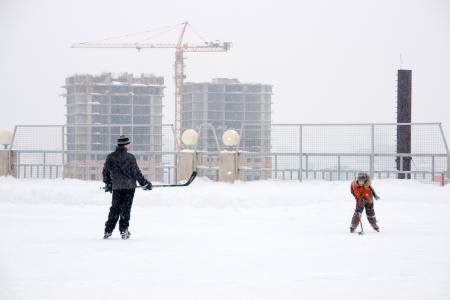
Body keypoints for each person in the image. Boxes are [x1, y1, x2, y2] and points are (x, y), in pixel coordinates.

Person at [102, 135, 152, 239]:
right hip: (129, 188)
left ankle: (108, 230)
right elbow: (136, 173)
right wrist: (145, 184)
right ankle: (124, 230)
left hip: (117, 187)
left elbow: (105, 172)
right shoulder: (130, 157)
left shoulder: (110, 157)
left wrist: (108, 183)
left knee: (114, 209)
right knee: (126, 209)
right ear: (125, 145)